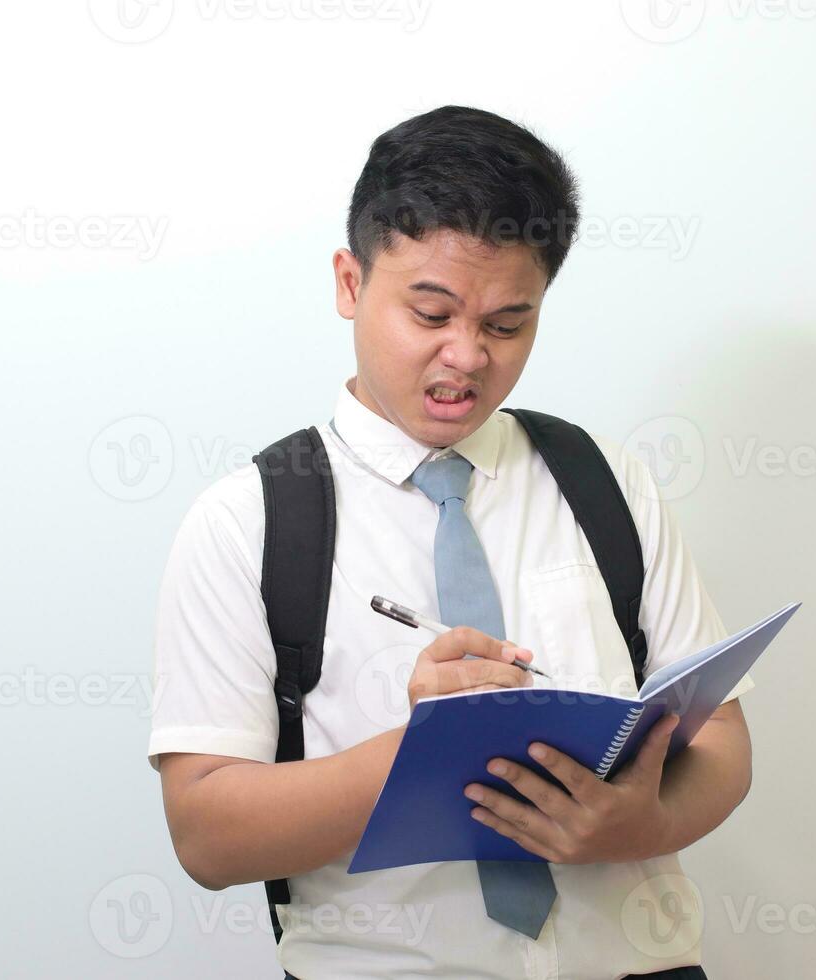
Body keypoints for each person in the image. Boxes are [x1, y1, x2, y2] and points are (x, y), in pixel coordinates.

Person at [148, 105, 754, 980]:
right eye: (430, 313)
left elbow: (724, 741)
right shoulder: (249, 522)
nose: (467, 357)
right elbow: (206, 835)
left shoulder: (603, 481)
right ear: (350, 283)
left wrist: (647, 825)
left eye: (508, 325)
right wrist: (421, 749)